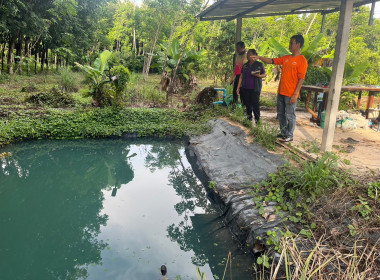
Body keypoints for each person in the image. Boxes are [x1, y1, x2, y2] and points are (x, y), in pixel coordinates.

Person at [252, 34, 308, 142]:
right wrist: (259, 57)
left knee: (290, 115)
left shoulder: (302, 60)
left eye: (291, 43)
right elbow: (272, 61)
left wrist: (295, 94)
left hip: (291, 93)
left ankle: (290, 135)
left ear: (298, 44)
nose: (289, 45)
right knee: (281, 113)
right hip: (281, 91)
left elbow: (301, 79)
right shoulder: (286, 58)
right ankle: (283, 133)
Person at [236, 49, 266, 123]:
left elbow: (264, 74)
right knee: (247, 104)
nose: (247, 55)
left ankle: (257, 120)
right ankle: (249, 118)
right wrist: (238, 88)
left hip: (255, 89)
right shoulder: (245, 65)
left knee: (255, 104)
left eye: (249, 54)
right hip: (246, 88)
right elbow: (241, 77)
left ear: (254, 55)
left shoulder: (259, 64)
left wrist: (258, 75)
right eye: (247, 54)